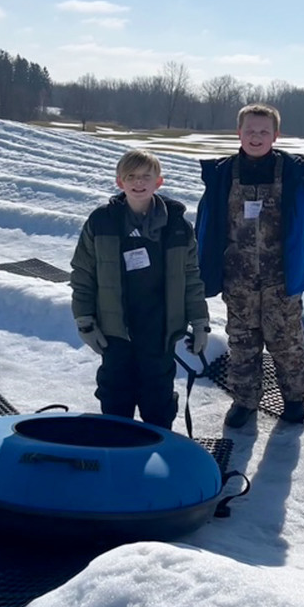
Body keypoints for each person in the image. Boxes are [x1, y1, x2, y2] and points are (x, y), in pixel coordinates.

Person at [195, 103, 304, 428]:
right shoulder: (223, 174)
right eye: (250, 130)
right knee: (242, 343)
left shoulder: (295, 174)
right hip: (237, 279)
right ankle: (245, 402)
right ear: (239, 133)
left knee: (288, 342)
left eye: (264, 131)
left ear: (276, 135)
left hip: (281, 277)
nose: (256, 137)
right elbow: (207, 223)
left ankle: (294, 400)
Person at [70, 149, 210, 430]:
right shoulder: (102, 221)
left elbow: (191, 277)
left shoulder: (177, 226)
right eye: (130, 176)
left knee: (157, 398)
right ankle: (117, 450)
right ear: (119, 182)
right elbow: (83, 274)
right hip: (114, 328)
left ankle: (156, 451)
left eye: (146, 176)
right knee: (115, 394)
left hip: (159, 329)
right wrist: (85, 321)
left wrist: (200, 322)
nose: (138, 182)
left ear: (159, 182)